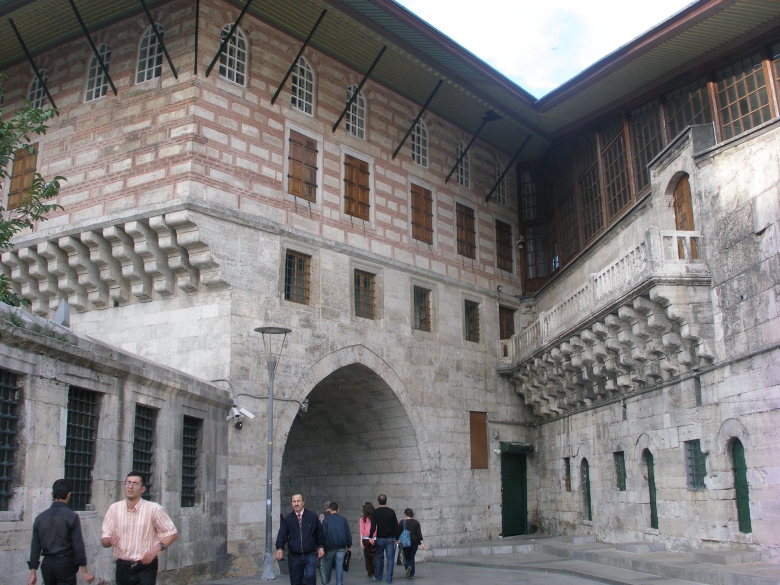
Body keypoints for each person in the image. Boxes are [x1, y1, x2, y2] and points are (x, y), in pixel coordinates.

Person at [101, 471, 178, 585]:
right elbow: (104, 540)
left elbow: (172, 533)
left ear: (143, 489)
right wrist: (109, 540)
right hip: (122, 567)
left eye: (135, 484)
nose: (130, 487)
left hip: (145, 567)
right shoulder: (114, 509)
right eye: (128, 483)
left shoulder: (153, 509)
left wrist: (156, 549)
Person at [28, 479, 95, 585]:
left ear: (52, 494)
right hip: (65, 564)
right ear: (69, 495)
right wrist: (84, 571)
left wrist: (32, 573)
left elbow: (35, 547)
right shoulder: (72, 516)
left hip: (47, 564)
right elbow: (78, 544)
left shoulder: (40, 518)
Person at [275, 493, 325, 585]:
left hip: (310, 553)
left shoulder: (312, 516)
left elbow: (319, 532)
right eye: (294, 501)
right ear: (291, 503)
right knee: (296, 581)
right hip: (295, 555)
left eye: (298, 501)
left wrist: (321, 546)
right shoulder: (288, 519)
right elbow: (282, 533)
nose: (296, 504)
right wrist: (280, 548)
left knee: (310, 576)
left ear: (303, 502)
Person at [368, 494, 399, 584]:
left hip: (380, 537)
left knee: (379, 557)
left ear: (378, 502)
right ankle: (389, 579)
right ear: (386, 501)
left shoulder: (375, 512)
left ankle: (378, 577)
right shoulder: (391, 512)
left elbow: (373, 526)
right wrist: (397, 537)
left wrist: (371, 536)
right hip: (390, 538)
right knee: (390, 559)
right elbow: (395, 526)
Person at [320, 502, 351, 585]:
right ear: (338, 509)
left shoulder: (326, 521)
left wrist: (321, 546)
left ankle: (326, 582)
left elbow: (323, 534)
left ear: (329, 510)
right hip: (341, 545)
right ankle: (339, 583)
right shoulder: (343, 520)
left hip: (329, 546)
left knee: (328, 565)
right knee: (339, 565)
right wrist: (349, 545)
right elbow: (347, 532)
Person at [397, 509, 424, 579]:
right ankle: (412, 574)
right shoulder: (416, 523)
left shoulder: (402, 522)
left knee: (406, 558)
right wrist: (422, 542)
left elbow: (398, 532)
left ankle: (408, 566)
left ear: (405, 514)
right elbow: (419, 534)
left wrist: (397, 540)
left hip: (405, 543)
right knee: (412, 558)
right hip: (414, 543)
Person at [359, 502, 375, 578]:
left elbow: (361, 530)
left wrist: (360, 541)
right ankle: (375, 568)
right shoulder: (376, 517)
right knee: (374, 555)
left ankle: (369, 571)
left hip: (365, 538)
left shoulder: (362, 518)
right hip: (375, 538)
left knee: (367, 556)